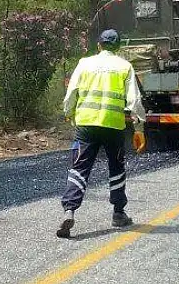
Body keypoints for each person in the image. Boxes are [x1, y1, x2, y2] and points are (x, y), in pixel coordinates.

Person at [56, 29, 146, 238]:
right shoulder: (125, 66)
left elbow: (71, 93)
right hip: (113, 126)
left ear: (98, 45)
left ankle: (69, 209)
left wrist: (69, 113)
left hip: (86, 125)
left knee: (79, 168)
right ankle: (118, 213)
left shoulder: (84, 63)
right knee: (116, 167)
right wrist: (139, 128)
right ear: (118, 47)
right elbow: (135, 100)